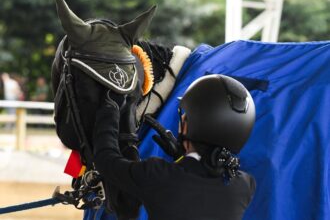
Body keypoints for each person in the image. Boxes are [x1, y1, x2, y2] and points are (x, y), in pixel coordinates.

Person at [91, 74, 256, 220]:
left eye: (184, 117)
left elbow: (106, 160)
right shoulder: (244, 185)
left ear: (188, 127)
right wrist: (180, 157)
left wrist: (110, 109)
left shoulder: (157, 175)